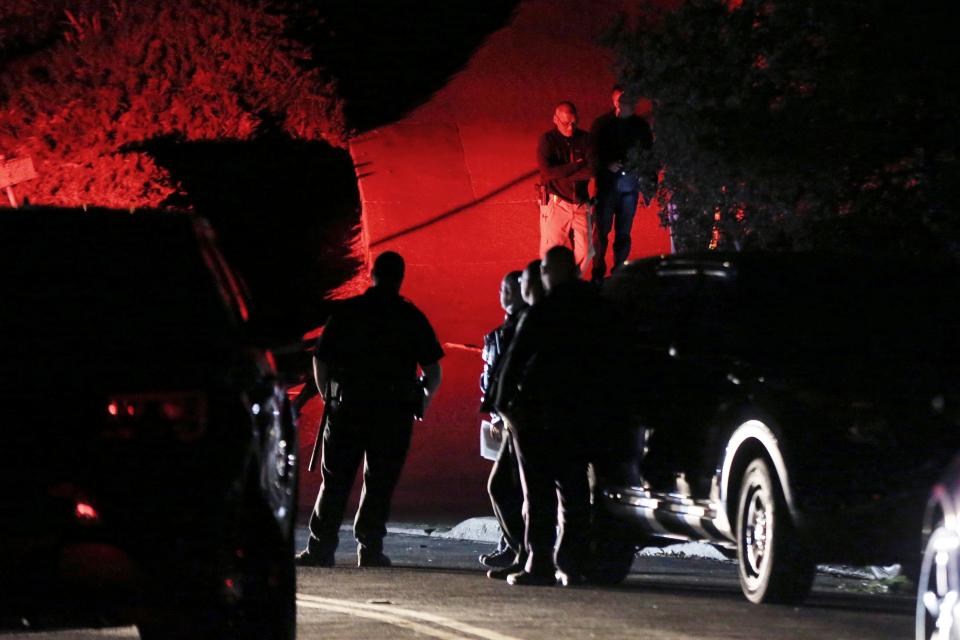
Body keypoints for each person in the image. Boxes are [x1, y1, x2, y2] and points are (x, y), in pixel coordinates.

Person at [295, 251, 444, 568]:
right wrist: (422, 404)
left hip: (348, 408)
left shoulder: (348, 312)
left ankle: (321, 548)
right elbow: (433, 372)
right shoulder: (410, 316)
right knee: (379, 482)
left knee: (335, 481)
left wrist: (328, 396)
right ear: (400, 278)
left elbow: (320, 360)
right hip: (393, 412)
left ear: (372, 274)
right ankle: (370, 548)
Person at [495, 246, 614, 587]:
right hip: (583, 412)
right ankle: (572, 562)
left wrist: (504, 405)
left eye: (545, 269)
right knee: (574, 491)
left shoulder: (546, 310)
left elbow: (515, 361)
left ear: (556, 271)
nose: (542, 276)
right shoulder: (598, 306)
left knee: (539, 492)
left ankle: (539, 563)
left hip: (540, 413)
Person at [478, 271, 527, 572]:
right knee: (507, 488)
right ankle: (513, 547)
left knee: (509, 487)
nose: (502, 294)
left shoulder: (523, 327)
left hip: (519, 421)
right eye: (501, 289)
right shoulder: (499, 332)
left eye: (507, 289)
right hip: (506, 419)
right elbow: (491, 377)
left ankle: (520, 550)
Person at [589, 85, 655, 283]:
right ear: (616, 103)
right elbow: (592, 153)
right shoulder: (603, 124)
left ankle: (619, 271)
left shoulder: (640, 126)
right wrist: (606, 165)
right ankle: (598, 270)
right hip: (608, 185)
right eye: (625, 103)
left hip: (629, 185)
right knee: (602, 230)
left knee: (623, 232)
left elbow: (649, 154)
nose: (629, 107)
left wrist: (649, 185)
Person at [537, 101, 595, 279]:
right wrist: (576, 166)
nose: (571, 127)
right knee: (551, 252)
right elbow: (547, 172)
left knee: (586, 251)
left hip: (581, 204)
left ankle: (571, 282)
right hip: (557, 203)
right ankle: (551, 288)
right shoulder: (548, 140)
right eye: (566, 123)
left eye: (574, 122)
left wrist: (563, 173)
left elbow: (592, 169)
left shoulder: (585, 139)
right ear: (555, 119)